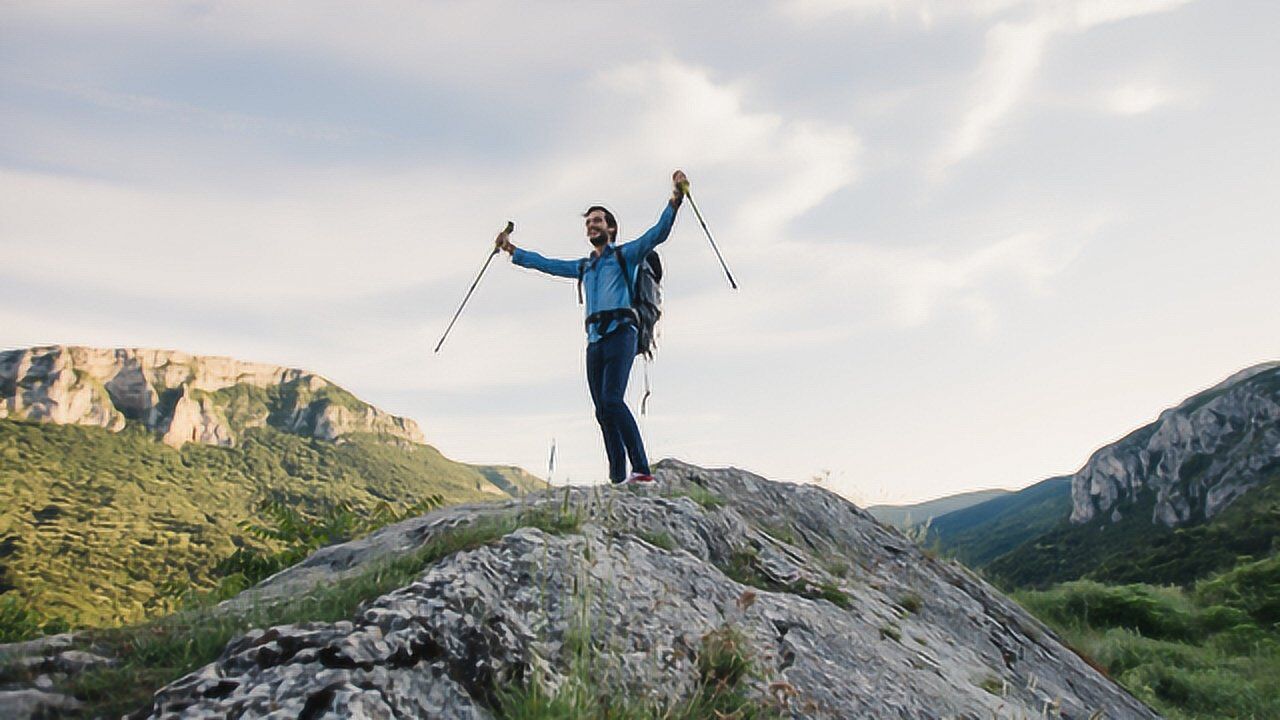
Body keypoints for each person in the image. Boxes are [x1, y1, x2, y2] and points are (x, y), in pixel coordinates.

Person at [495, 170, 687, 485]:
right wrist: (512, 250)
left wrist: (675, 200)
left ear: (610, 227)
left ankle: (641, 471)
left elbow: (658, 233)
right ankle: (617, 477)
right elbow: (548, 264)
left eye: (597, 220)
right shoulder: (586, 267)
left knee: (612, 400)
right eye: (588, 222)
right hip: (594, 341)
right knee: (602, 411)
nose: (592, 225)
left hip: (622, 332)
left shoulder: (626, 256)